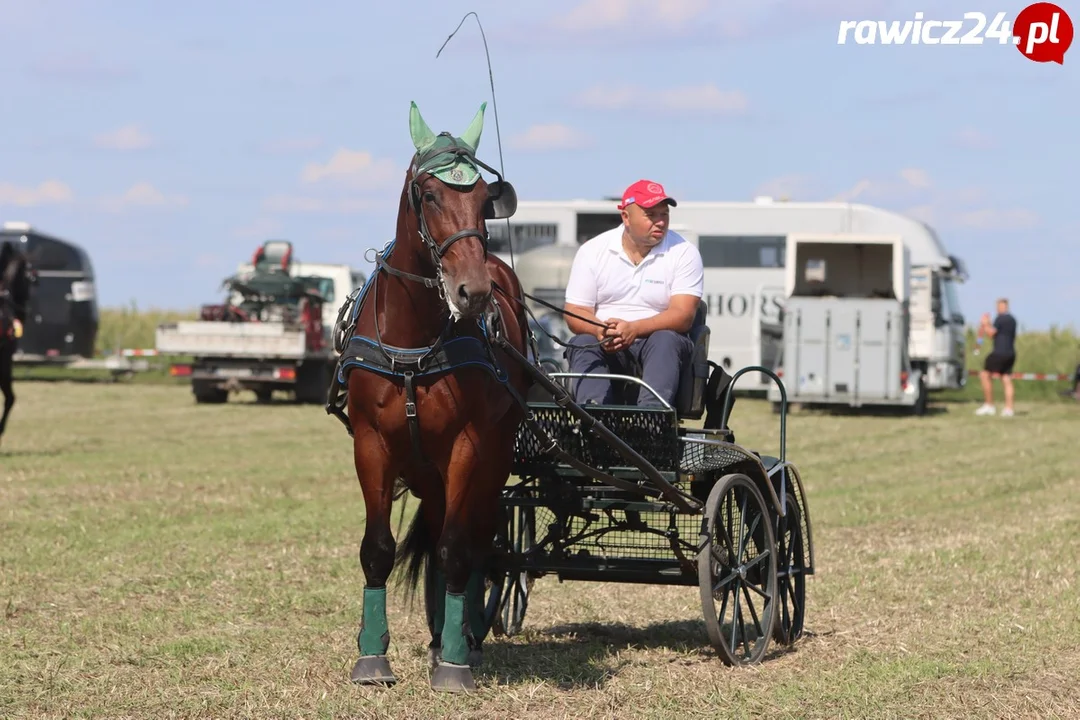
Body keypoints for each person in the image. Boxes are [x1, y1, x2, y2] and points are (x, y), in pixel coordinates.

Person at [562, 179, 704, 408]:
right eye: (651, 215)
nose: (660, 222)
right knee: (582, 341)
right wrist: (601, 330)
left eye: (664, 214)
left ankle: (651, 420)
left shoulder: (684, 252)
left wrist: (634, 329)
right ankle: (593, 418)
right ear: (626, 217)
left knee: (665, 338)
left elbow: (683, 315)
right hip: (606, 342)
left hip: (658, 345)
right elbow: (575, 312)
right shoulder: (592, 251)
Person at [975, 298, 1018, 417]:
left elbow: (991, 333)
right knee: (1006, 378)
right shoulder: (1013, 320)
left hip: (999, 352)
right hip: (1011, 352)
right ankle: (1009, 409)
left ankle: (989, 405)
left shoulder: (1000, 318)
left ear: (1003, 307)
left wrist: (985, 323)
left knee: (984, 375)